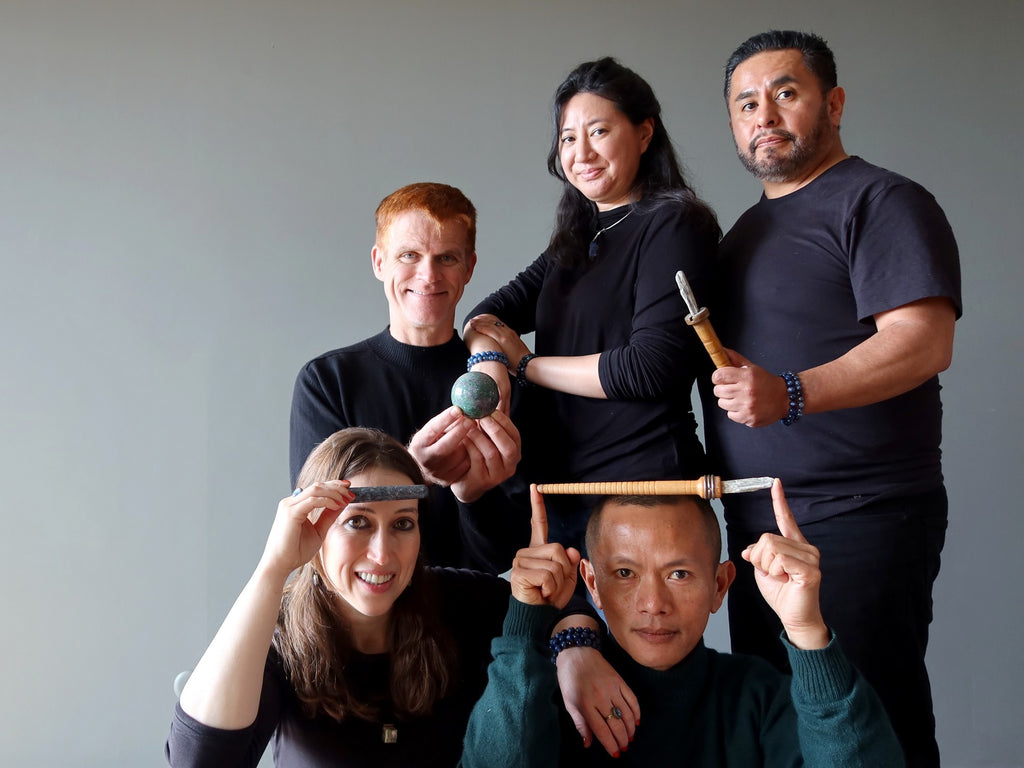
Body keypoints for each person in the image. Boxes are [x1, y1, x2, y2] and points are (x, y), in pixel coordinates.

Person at [703, 30, 961, 767]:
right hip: (757, 524)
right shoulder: (740, 237)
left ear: (833, 102)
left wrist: (790, 393)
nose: (765, 116)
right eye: (746, 103)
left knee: (869, 722)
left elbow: (921, 341)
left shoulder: (882, 200)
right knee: (788, 734)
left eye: (785, 93)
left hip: (861, 516)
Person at [463, 57, 721, 550]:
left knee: (648, 629)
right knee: (564, 629)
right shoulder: (578, 236)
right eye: (567, 137)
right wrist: (492, 363)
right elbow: (485, 315)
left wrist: (527, 365)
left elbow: (650, 368)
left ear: (644, 133)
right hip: (564, 493)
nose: (581, 152)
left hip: (645, 493)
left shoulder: (675, 224)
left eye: (598, 131)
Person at [460, 481, 904, 766]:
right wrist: (524, 629)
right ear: (591, 584)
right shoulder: (547, 696)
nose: (654, 604)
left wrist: (808, 635)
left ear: (720, 585)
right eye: (625, 574)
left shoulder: (760, 699)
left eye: (679, 574)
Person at [166, 428, 513, 768]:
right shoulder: (278, 638)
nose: (382, 556)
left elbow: (549, 612)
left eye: (403, 524)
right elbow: (197, 761)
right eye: (358, 522)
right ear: (312, 527)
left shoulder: (459, 601)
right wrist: (273, 567)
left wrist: (565, 620)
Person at [290, 182, 528, 573]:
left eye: (446, 258)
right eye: (409, 255)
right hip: (363, 620)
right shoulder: (328, 381)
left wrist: (473, 496)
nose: (428, 275)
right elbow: (318, 527)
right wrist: (412, 470)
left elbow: (503, 558)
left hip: (472, 615)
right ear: (379, 262)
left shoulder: (502, 386)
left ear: (469, 267)